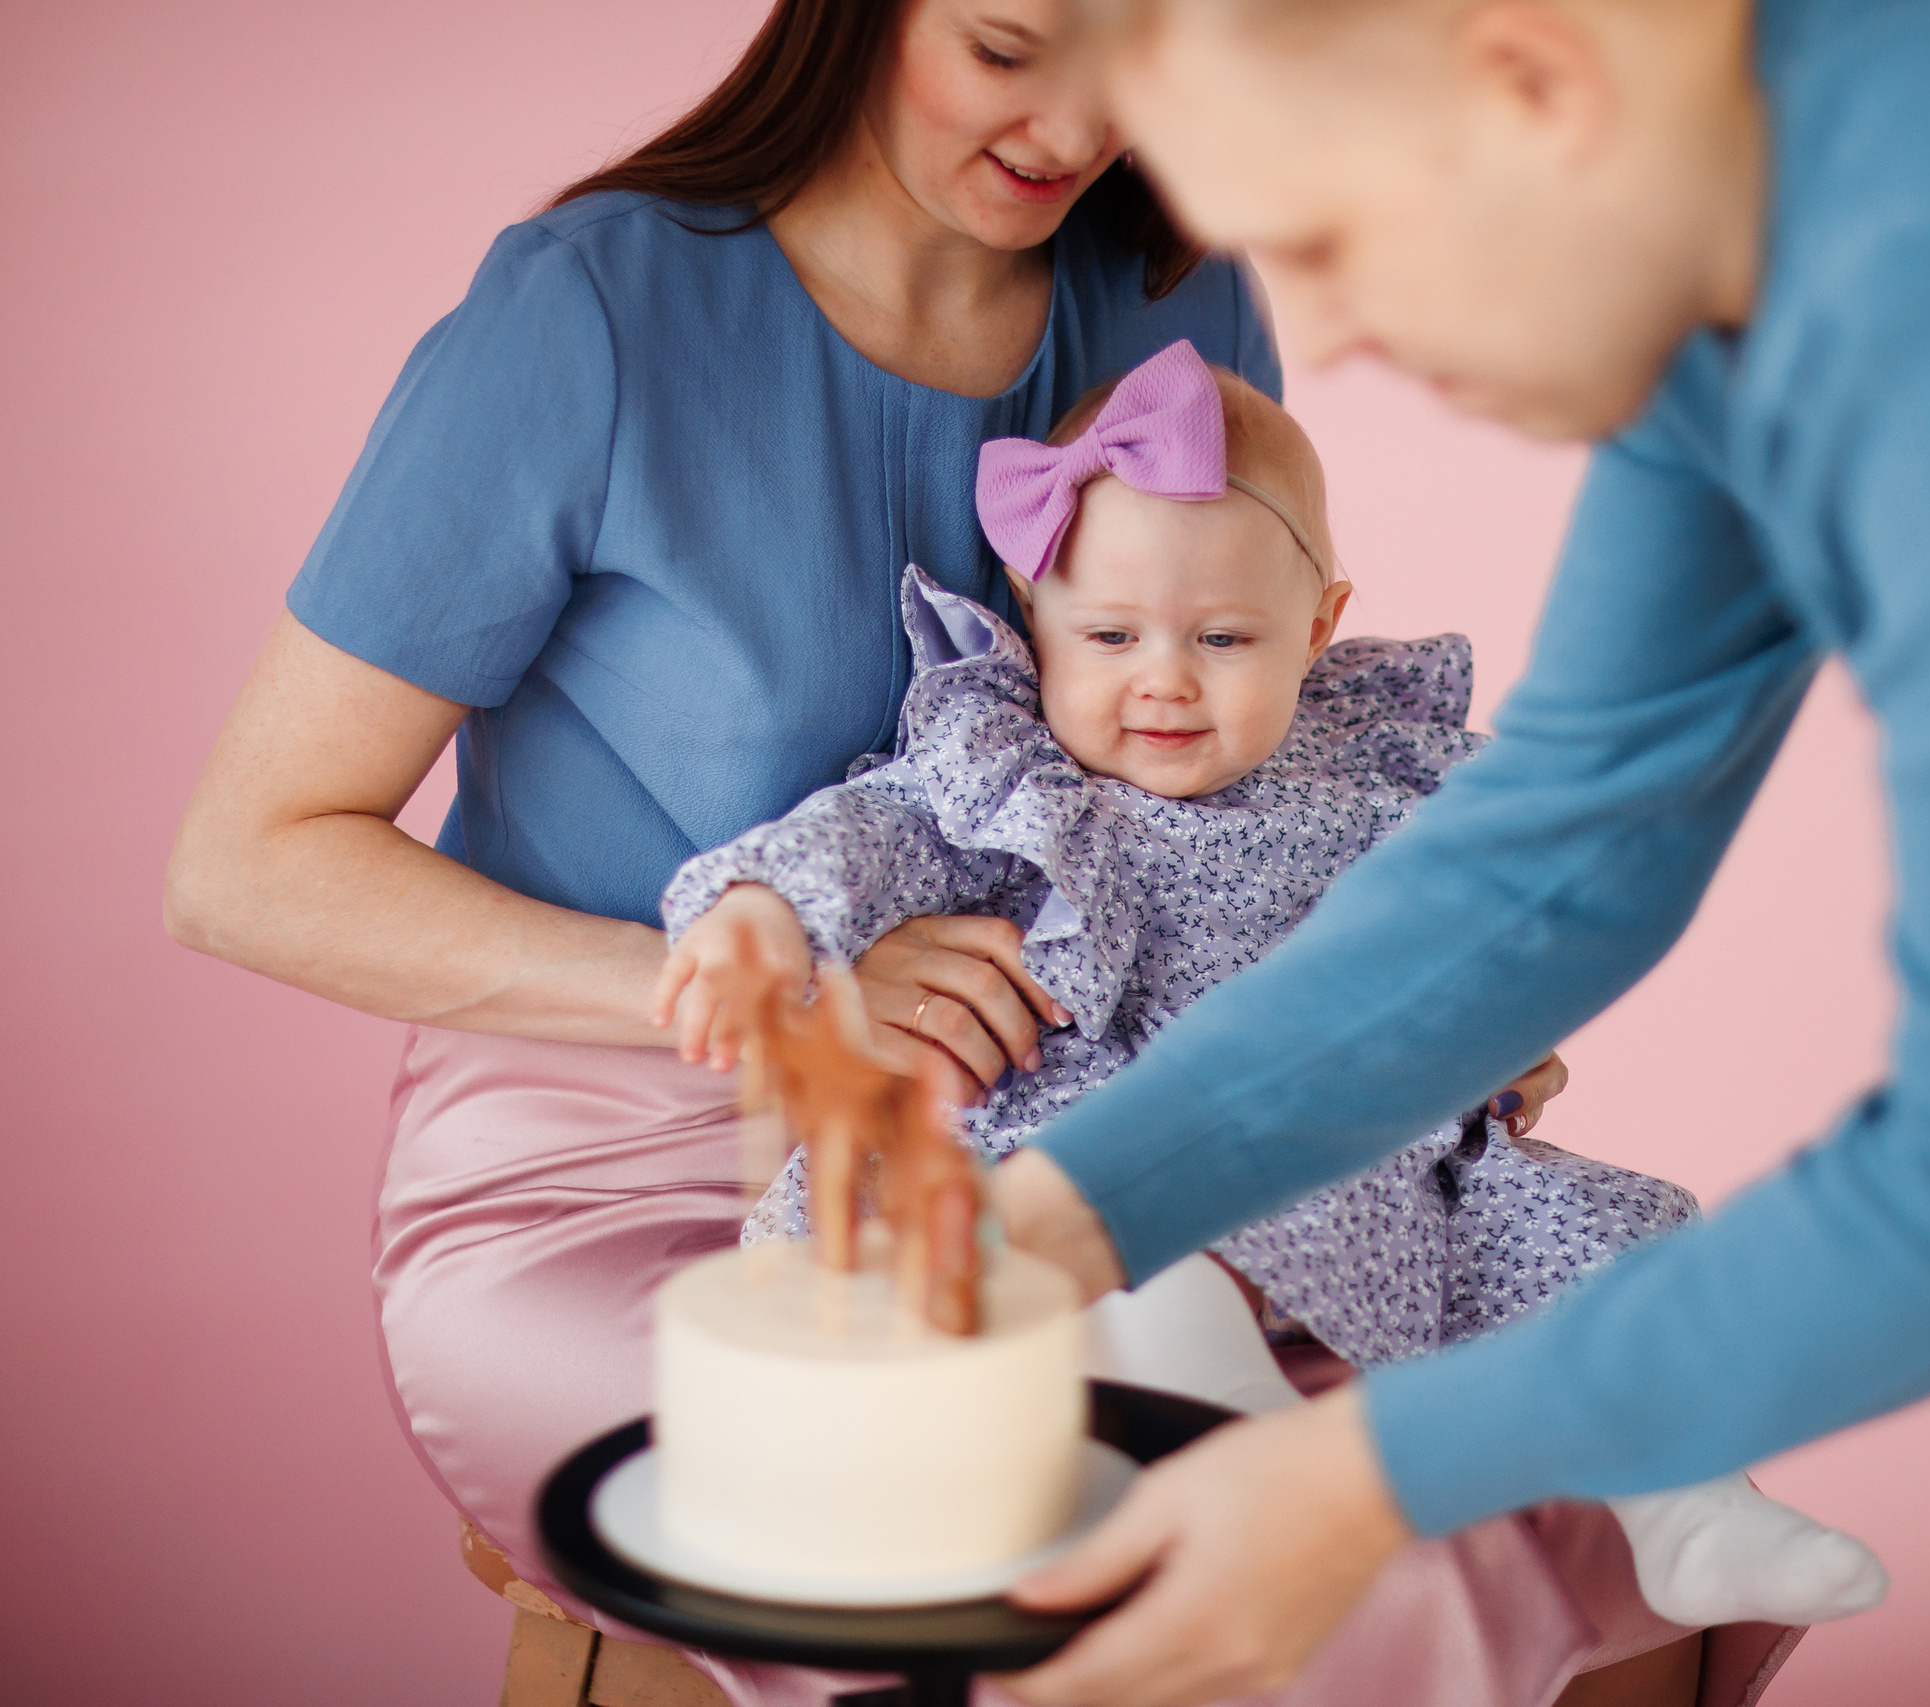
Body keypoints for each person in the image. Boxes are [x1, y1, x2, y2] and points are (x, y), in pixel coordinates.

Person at [962, 2, 1930, 1706]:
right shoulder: (1724, 206)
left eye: (1331, 243)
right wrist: (1064, 1209)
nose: (1331, 342)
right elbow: (1574, 836)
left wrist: (1365, 1478)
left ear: (1533, 83)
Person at [161, 1, 1737, 1699]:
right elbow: (247, 864)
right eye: (1008, 45)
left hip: (1104, 1136)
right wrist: (785, 1001)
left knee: (1571, 1469)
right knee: (1089, 1544)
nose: (1074, 131)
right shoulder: (588, 314)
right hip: (625, 1157)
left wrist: (1397, 1017)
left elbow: (1224, 774)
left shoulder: (1177, 306)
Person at [653, 342, 1890, 1631]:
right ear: (1034, 622)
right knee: (1139, 1256)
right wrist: (759, 910)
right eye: (1110, 634)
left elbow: (1514, 892)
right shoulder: (1009, 762)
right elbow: (868, 831)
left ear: (1320, 626)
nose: (1165, 678)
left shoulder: (1376, 764)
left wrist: (1507, 1015)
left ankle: (1694, 1507)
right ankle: (1227, 1452)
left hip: (1346, 1133)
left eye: (1225, 637)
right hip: (1072, 1133)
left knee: (1611, 1245)